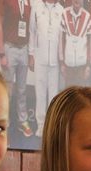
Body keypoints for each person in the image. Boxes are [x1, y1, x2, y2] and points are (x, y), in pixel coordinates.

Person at [0, 0, 34, 137]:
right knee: (7, 89)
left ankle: (22, 121)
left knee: (22, 89)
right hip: (10, 48)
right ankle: (4, 121)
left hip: (24, 48)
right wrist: (2, 53)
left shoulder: (28, 2)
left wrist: (30, 54)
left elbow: (30, 28)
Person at [28, 0, 65, 137]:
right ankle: (41, 125)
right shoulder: (36, 7)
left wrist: (61, 59)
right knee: (40, 93)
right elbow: (32, 32)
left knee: (53, 95)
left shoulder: (61, 10)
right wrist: (31, 54)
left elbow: (63, 37)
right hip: (40, 58)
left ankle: (51, 126)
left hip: (55, 61)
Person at [59, 0, 91, 88]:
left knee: (80, 94)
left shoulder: (87, 16)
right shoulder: (64, 14)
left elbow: (89, 44)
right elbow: (61, 40)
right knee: (69, 93)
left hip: (82, 67)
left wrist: (88, 65)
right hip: (68, 65)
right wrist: (62, 63)